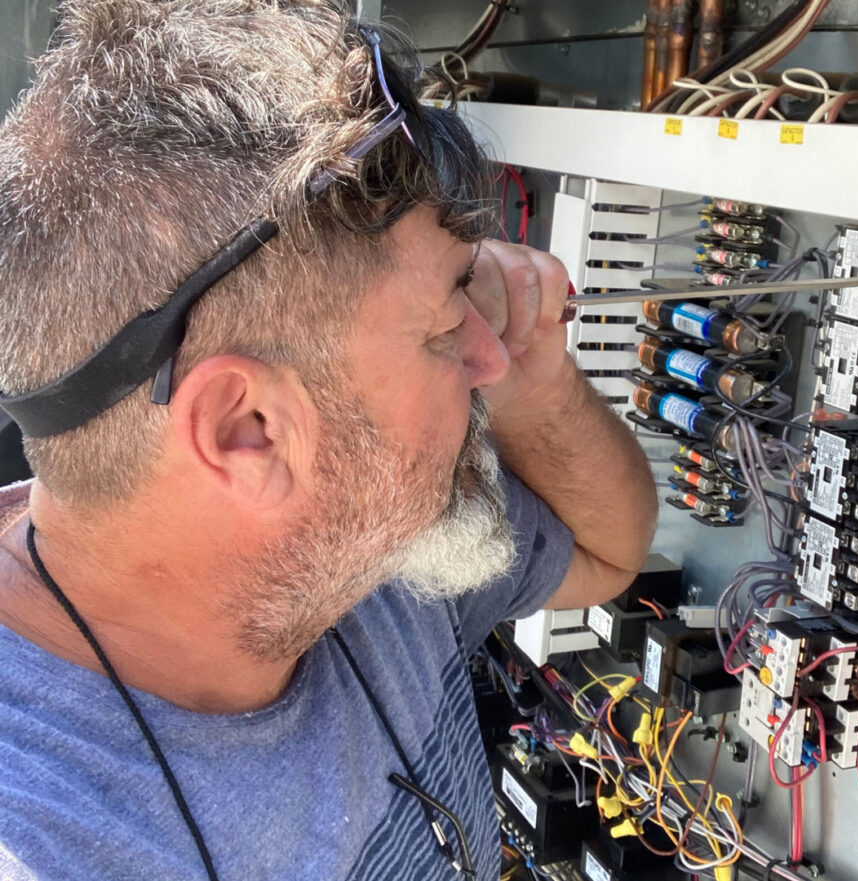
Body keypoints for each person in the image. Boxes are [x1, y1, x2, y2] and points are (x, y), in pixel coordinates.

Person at [0, 2, 657, 879]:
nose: (484, 354)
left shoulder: (364, 550)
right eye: (440, 332)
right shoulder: (55, 841)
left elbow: (606, 550)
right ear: (249, 431)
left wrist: (536, 373)